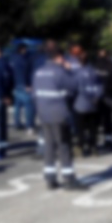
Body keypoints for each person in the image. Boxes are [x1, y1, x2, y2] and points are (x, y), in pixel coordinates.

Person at [32, 42, 83, 190]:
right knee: (64, 145)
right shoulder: (60, 72)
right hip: (59, 114)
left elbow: (34, 95)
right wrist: (70, 71)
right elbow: (75, 86)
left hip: (43, 114)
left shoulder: (38, 72)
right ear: (60, 57)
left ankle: (50, 178)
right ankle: (69, 179)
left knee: (49, 145)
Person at [72, 51, 104, 157]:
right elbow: (100, 85)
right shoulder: (95, 71)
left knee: (80, 128)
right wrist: (96, 97)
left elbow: (78, 88)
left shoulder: (77, 72)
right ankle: (94, 147)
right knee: (93, 128)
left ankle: (80, 147)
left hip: (81, 104)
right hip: (94, 105)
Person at [93, 47, 112, 148]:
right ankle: (109, 140)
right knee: (108, 119)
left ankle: (94, 140)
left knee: (96, 119)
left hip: (97, 96)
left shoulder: (94, 65)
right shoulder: (111, 64)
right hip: (108, 95)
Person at [10, 43, 35, 132]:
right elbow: (26, 73)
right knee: (29, 106)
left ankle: (17, 123)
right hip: (24, 85)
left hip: (16, 85)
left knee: (17, 106)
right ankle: (29, 125)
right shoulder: (24, 60)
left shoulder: (12, 58)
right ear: (22, 49)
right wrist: (28, 85)